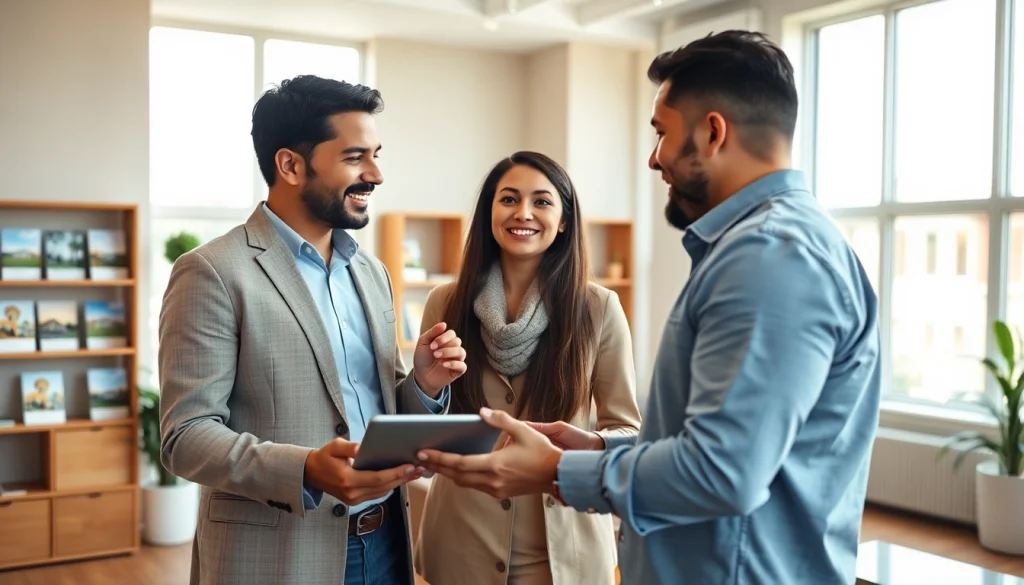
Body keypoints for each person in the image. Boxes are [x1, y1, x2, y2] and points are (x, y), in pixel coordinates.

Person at [417, 30, 881, 585]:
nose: (654, 158)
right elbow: (716, 442)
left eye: (662, 133)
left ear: (712, 132)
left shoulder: (768, 257)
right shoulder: (764, 247)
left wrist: (559, 469)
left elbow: (720, 471)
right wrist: (590, 446)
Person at [158, 74, 468, 585]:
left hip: (389, 543)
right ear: (290, 165)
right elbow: (185, 436)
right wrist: (306, 469)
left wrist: (426, 385)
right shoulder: (212, 271)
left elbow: (381, 411)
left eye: (377, 154)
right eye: (354, 158)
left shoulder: (370, 273)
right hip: (278, 556)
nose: (376, 174)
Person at [412, 151, 642, 585]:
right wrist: (426, 387)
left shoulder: (598, 308)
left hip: (565, 551)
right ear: (489, 214)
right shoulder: (444, 302)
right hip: (461, 543)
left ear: (564, 221)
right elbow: (422, 430)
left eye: (541, 201)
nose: (523, 213)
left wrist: (580, 444)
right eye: (509, 199)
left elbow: (627, 430)